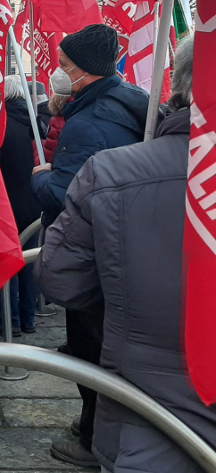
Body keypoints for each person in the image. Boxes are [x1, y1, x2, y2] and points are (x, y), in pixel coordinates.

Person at [37, 37, 216, 472]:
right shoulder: (127, 119)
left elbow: (60, 278)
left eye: (63, 63)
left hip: (149, 425)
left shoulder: (111, 171)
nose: (58, 71)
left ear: (182, 81)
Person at [31, 24, 149, 468]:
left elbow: (67, 194)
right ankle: (94, 424)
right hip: (126, 247)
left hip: (94, 254)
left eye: (63, 66)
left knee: (91, 349)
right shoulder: (130, 103)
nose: (57, 74)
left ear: (87, 71)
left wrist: (40, 177)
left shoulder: (91, 123)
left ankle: (94, 439)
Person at [0, 76, 42, 337]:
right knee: (28, 263)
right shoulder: (35, 120)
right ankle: (27, 318)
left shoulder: (0, 126)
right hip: (32, 200)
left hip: (6, 202)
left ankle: (11, 320)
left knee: (6, 263)